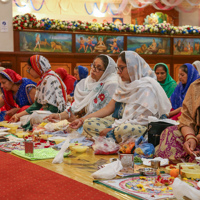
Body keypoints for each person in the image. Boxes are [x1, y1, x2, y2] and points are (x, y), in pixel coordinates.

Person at [69, 51, 171, 143]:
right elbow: (108, 108)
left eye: (121, 68)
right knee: (89, 123)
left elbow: (144, 121)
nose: (118, 72)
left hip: (139, 128)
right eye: (118, 68)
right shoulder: (123, 85)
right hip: (120, 123)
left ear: (133, 67)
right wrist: (82, 120)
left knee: (125, 130)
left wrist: (113, 129)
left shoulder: (147, 87)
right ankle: (112, 138)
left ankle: (111, 137)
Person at [44, 54, 118, 122]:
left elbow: (105, 113)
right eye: (93, 65)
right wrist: (59, 116)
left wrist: (80, 120)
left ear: (107, 72)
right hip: (81, 120)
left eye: (99, 68)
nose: (93, 69)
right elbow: (75, 107)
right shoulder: (86, 82)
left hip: (95, 122)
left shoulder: (110, 85)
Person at [10, 55, 67, 128]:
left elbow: (54, 109)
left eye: (29, 69)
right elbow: (37, 105)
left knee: (35, 116)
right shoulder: (44, 79)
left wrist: (41, 112)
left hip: (57, 116)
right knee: (24, 118)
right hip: (48, 114)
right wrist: (17, 116)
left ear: (36, 67)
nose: (29, 72)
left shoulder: (50, 79)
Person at [155, 78, 200, 163]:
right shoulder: (196, 86)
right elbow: (187, 118)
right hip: (196, 136)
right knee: (169, 132)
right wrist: (190, 138)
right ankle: (191, 155)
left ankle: (190, 158)